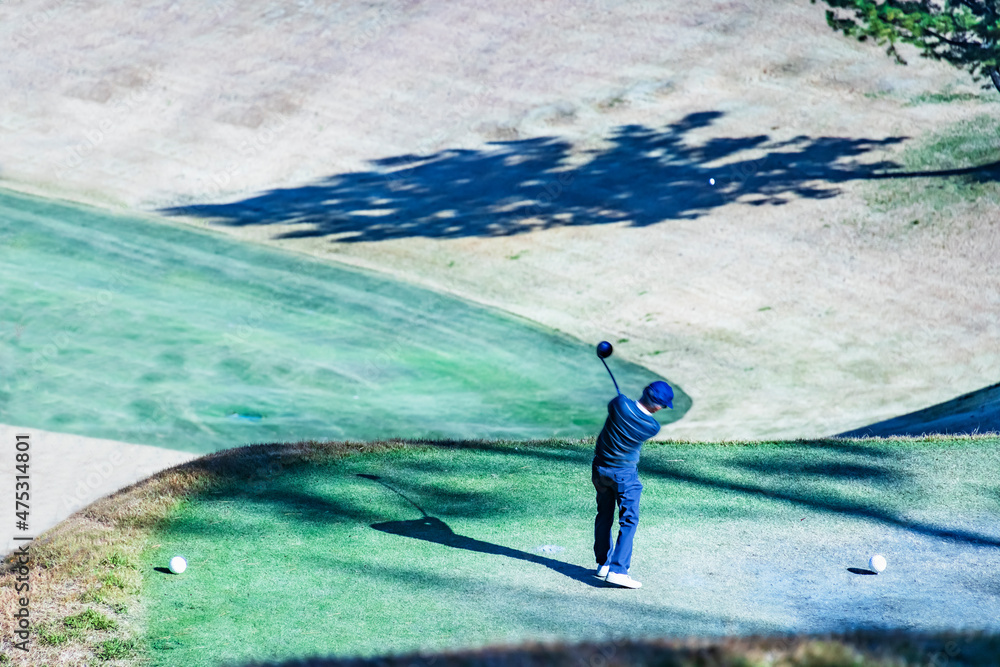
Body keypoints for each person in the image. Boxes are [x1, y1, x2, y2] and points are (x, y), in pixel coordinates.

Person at [592, 380, 673, 589]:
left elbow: (618, 405)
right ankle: (618, 571)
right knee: (628, 520)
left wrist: (626, 401)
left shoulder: (620, 404)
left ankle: (603, 563)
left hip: (600, 469)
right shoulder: (652, 427)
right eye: (663, 406)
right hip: (625, 475)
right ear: (657, 406)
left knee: (604, 515)